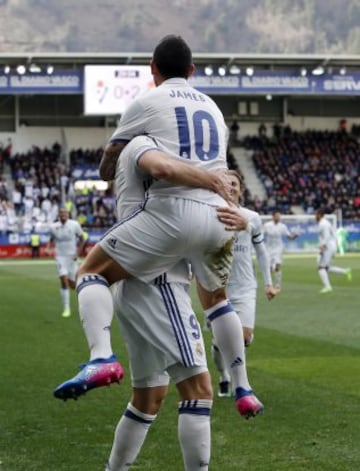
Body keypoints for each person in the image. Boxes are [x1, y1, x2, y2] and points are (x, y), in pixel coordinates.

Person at [54, 35, 262, 419]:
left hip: (171, 215)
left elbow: (111, 164)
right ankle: (243, 385)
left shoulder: (146, 103)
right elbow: (217, 165)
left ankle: (100, 356)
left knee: (91, 272)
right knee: (217, 301)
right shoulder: (214, 109)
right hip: (218, 218)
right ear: (192, 71)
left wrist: (118, 159)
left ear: (153, 68)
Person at [106, 135, 214, 470]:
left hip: (135, 283)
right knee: (199, 390)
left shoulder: (132, 160)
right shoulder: (152, 152)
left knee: (148, 398)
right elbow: (163, 170)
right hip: (161, 282)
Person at [214, 170, 278, 397]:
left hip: (246, 287)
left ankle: (237, 379)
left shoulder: (252, 217)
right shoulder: (210, 214)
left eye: (234, 184)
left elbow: (261, 251)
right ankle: (224, 377)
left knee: (244, 337)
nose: (230, 187)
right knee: (220, 343)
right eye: (226, 183)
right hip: (218, 288)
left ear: (240, 189)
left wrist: (269, 283)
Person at [46, 207, 86, 317]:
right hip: (60, 257)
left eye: (65, 213)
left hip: (72, 258)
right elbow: (52, 238)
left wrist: (77, 253)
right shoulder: (54, 227)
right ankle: (66, 308)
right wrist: (48, 247)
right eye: (61, 213)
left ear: (68, 214)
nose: (63, 214)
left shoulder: (75, 225)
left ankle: (85, 303)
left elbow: (82, 238)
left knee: (73, 285)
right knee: (63, 280)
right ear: (58, 215)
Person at [315, 209, 352, 294]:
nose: (315, 217)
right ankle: (346, 271)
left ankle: (328, 287)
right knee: (327, 268)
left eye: (316, 215)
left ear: (320, 215)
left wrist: (322, 247)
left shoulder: (322, 224)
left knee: (321, 267)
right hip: (332, 246)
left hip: (328, 247)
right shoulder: (327, 223)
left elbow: (326, 236)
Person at [263, 210, 298, 289]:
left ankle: (278, 284)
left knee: (278, 265)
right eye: (277, 216)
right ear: (273, 217)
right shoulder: (267, 225)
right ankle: (269, 284)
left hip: (278, 248)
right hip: (268, 248)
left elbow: (289, 237)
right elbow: (261, 236)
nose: (278, 217)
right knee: (269, 268)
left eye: (279, 216)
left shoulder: (282, 226)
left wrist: (295, 236)